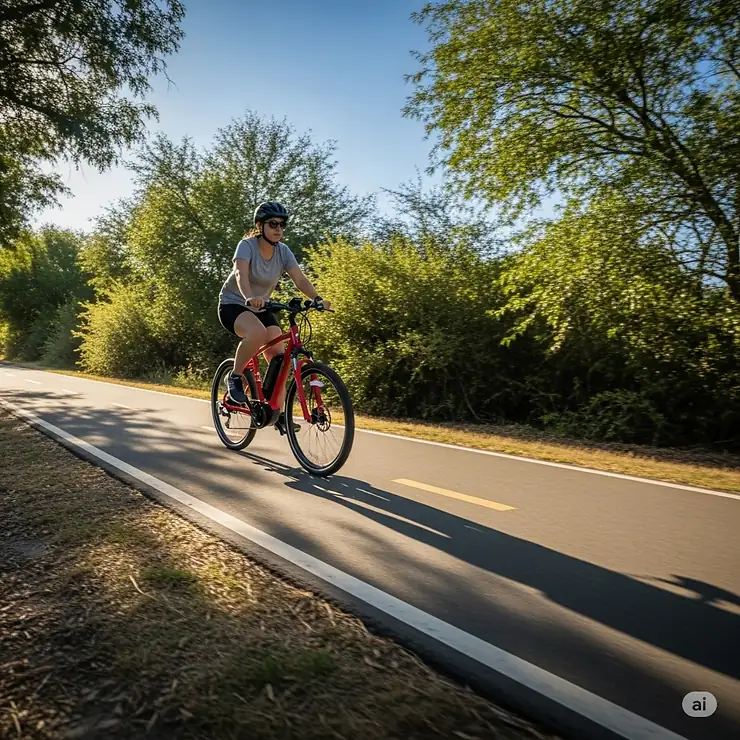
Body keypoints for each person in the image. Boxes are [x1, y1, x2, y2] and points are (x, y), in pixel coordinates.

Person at [217, 201, 330, 434]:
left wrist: (317, 298)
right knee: (257, 334)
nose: (279, 228)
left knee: (280, 359)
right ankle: (235, 377)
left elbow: (299, 279)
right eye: (273, 224)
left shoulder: (283, 251)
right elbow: (240, 273)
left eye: (282, 225)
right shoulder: (246, 246)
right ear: (260, 226)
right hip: (233, 304)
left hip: (261, 306)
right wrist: (249, 296)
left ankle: (275, 410)